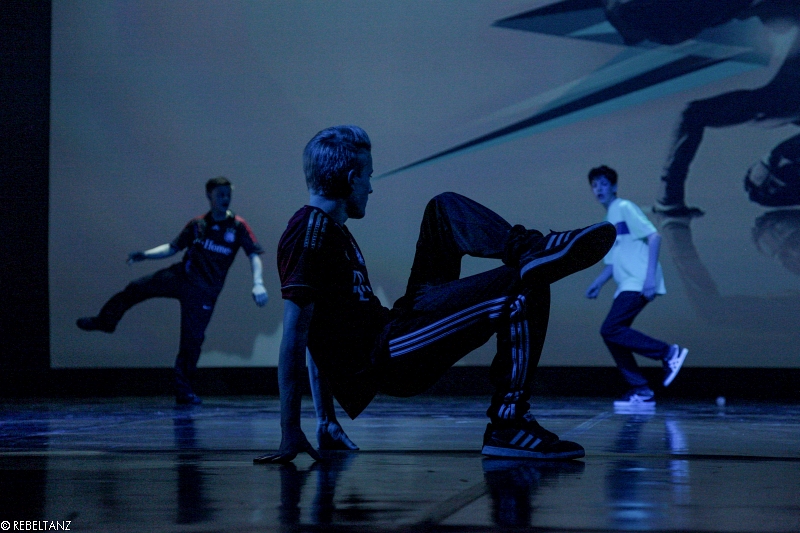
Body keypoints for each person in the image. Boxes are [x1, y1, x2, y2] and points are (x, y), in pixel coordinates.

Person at [254, 125, 616, 464]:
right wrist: (290, 429)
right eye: (368, 176)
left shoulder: (331, 230)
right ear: (351, 179)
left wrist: (325, 420)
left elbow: (317, 334)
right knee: (522, 284)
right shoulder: (309, 233)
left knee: (443, 208)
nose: (371, 188)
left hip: (396, 325)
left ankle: (530, 250)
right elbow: (296, 336)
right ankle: (509, 425)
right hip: (388, 356)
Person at [77, 177, 268, 405]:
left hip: (204, 292)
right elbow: (172, 247)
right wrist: (145, 255)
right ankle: (105, 321)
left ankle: (184, 391)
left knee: (192, 340)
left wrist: (258, 283)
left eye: (228, 194)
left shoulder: (237, 226)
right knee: (136, 287)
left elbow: (253, 255)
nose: (225, 199)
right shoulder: (198, 224)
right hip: (180, 277)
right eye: (220, 194)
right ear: (209, 196)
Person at [585, 165, 688, 409]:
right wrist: (598, 283)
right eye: (595, 185)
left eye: (603, 184)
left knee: (610, 329)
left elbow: (654, 237)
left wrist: (649, 278)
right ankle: (641, 391)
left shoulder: (624, 207)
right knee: (613, 335)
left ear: (614, 186)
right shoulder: (609, 219)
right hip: (627, 284)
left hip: (639, 280)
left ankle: (668, 353)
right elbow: (612, 262)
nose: (599, 189)